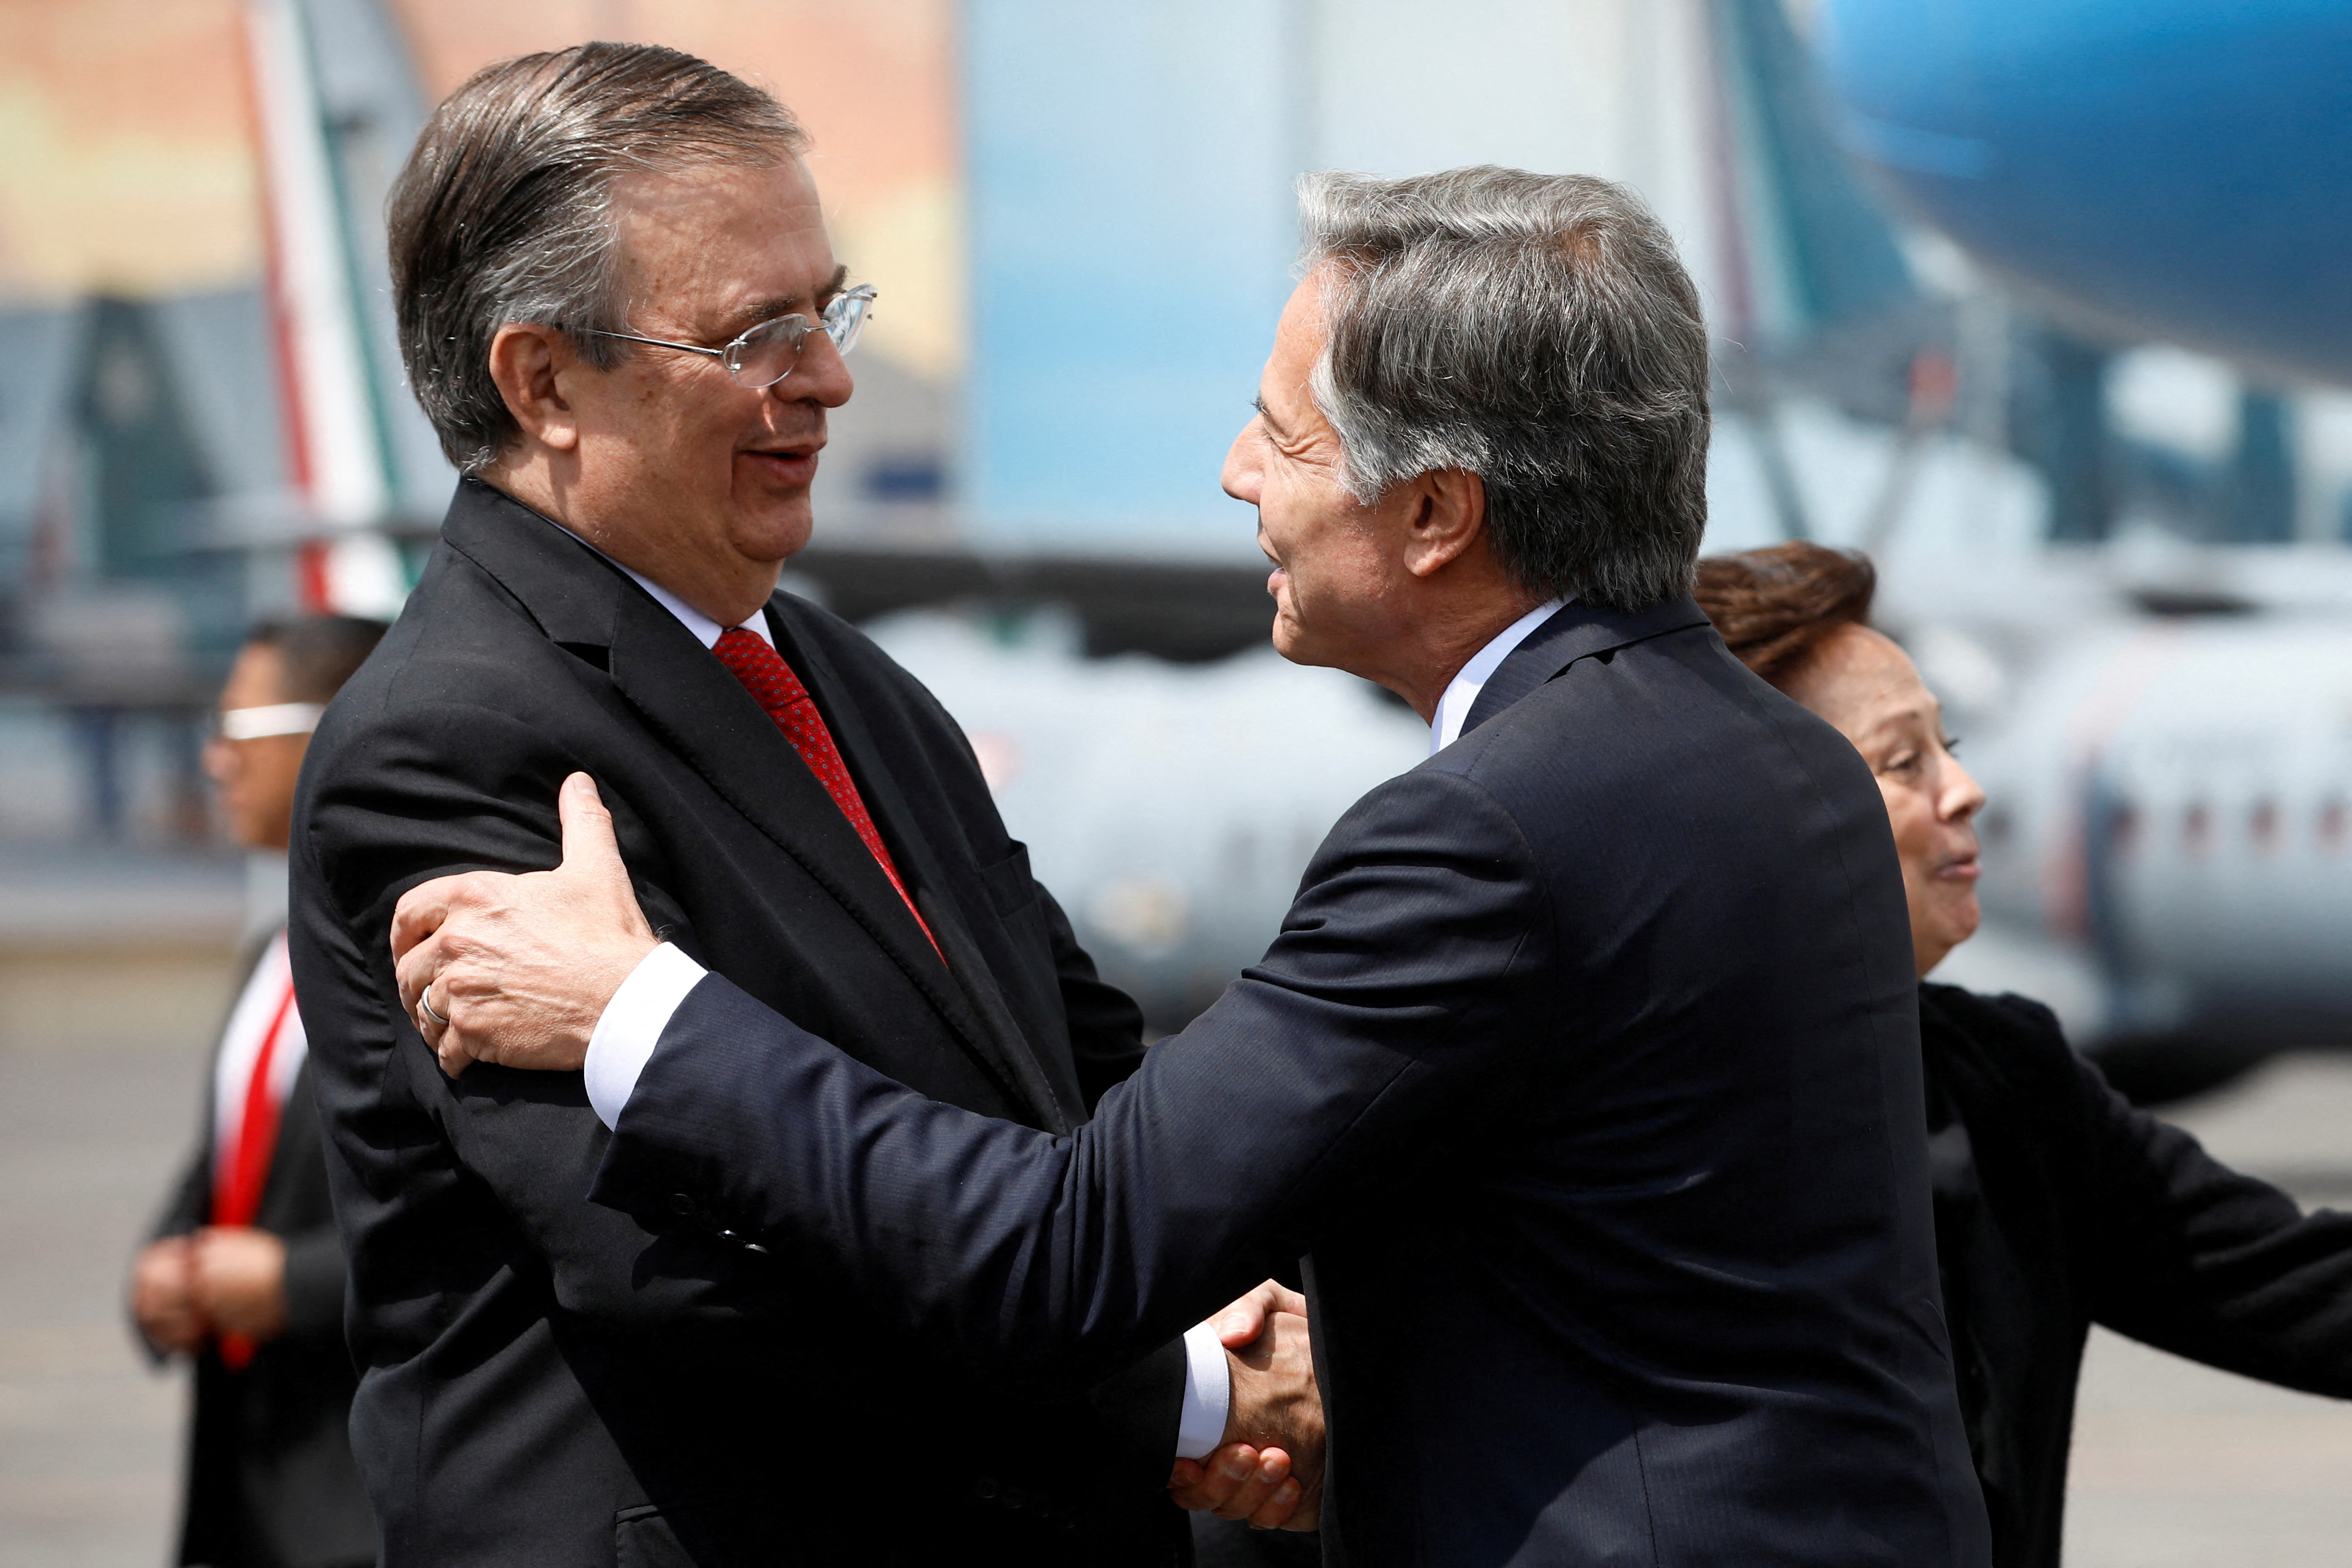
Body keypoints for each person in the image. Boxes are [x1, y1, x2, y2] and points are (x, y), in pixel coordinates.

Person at [392, 166, 1995, 1568]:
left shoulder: (1490, 831)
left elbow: (1069, 1250)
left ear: (1435, 512)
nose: (1238, 476)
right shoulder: (1782, 759)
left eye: (1282, 436)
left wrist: (638, 1014)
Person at [285, 43, 1308, 1568]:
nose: (826, 375)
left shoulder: (833, 673)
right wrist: (1180, 1392)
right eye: (756, 333)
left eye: (827, 310)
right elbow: (679, 1263)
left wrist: (1245, 1284)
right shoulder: (450, 741)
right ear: (544, 382)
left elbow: (1070, 1065)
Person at [1691, 540, 2352, 1568]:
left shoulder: (2008, 1087)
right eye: (1903, 761)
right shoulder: (1580, 1104)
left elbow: (2301, 1289)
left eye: (1948, 744)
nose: (1968, 790)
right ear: (1753, 810)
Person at [130, 614, 387, 1568]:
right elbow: (224, 1161)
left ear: (329, 731)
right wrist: (164, 1263)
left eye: (237, 731)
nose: (213, 761)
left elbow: (481, 1225)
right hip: (242, 1502)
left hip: (359, 1507)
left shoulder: (414, 966)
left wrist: (288, 1284)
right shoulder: (273, 952)